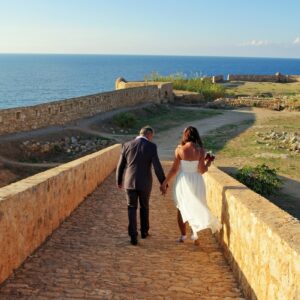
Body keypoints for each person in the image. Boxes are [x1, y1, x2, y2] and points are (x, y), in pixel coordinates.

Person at [160, 126, 221, 245]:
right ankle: (195, 235)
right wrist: (208, 162)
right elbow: (202, 170)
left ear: (185, 135)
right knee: (196, 207)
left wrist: (165, 182)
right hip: (197, 181)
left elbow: (174, 169)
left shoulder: (179, 149)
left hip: (183, 180)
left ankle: (183, 236)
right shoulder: (200, 150)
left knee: (181, 207)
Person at [116, 126, 166, 245]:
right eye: (152, 136)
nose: (151, 139)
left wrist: (119, 180)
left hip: (129, 181)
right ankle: (144, 231)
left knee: (131, 207)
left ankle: (133, 235)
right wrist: (163, 182)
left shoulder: (127, 145)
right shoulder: (151, 146)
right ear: (149, 134)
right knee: (144, 206)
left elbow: (120, 166)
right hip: (145, 182)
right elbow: (157, 167)